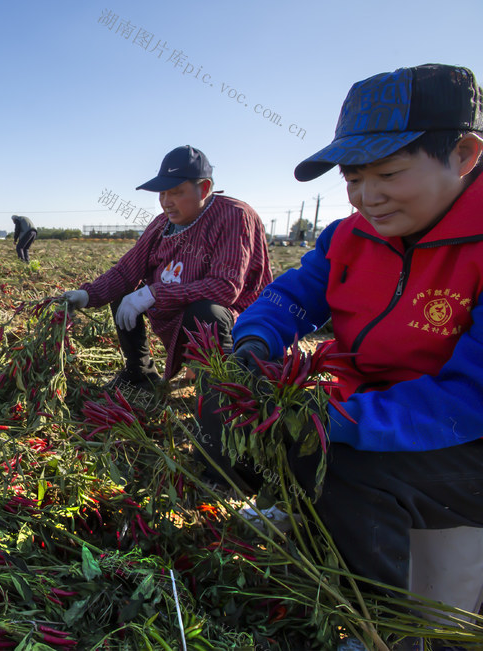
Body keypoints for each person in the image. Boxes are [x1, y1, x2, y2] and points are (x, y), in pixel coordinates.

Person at [198, 64, 483, 604]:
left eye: (389, 174)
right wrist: (255, 341)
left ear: (465, 156)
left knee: (343, 464)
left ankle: (386, 622)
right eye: (353, 179)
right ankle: (310, 521)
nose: (366, 197)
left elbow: (471, 397)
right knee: (248, 405)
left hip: (464, 434)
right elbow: (291, 295)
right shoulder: (349, 236)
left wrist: (337, 422)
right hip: (366, 401)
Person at [62, 146, 271, 389]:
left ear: (204, 188)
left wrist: (154, 293)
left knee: (205, 312)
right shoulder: (161, 224)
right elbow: (125, 271)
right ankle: (139, 374)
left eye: (176, 192)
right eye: (162, 194)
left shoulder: (234, 216)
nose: (165, 202)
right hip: (178, 310)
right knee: (125, 293)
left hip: (235, 319)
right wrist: (88, 295)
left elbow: (225, 288)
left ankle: (216, 389)